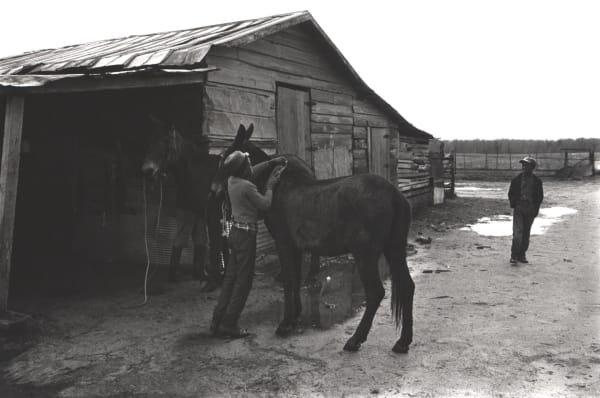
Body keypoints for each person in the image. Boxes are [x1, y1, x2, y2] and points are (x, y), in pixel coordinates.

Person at [210, 151, 287, 338]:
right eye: (247, 161)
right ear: (243, 167)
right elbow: (265, 204)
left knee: (230, 279)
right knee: (243, 282)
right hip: (246, 236)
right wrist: (270, 186)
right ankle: (229, 324)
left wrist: (270, 163)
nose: (250, 163)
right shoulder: (247, 187)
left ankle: (217, 320)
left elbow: (251, 170)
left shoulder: (232, 181)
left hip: (234, 233)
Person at [508, 156, 544, 264]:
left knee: (526, 233)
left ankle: (521, 255)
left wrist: (535, 209)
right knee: (517, 233)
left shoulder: (537, 181)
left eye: (526, 165)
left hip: (530, 209)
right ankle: (514, 255)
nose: (524, 167)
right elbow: (511, 193)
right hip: (519, 208)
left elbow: (539, 197)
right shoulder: (516, 180)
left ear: (532, 167)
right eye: (523, 165)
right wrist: (515, 203)